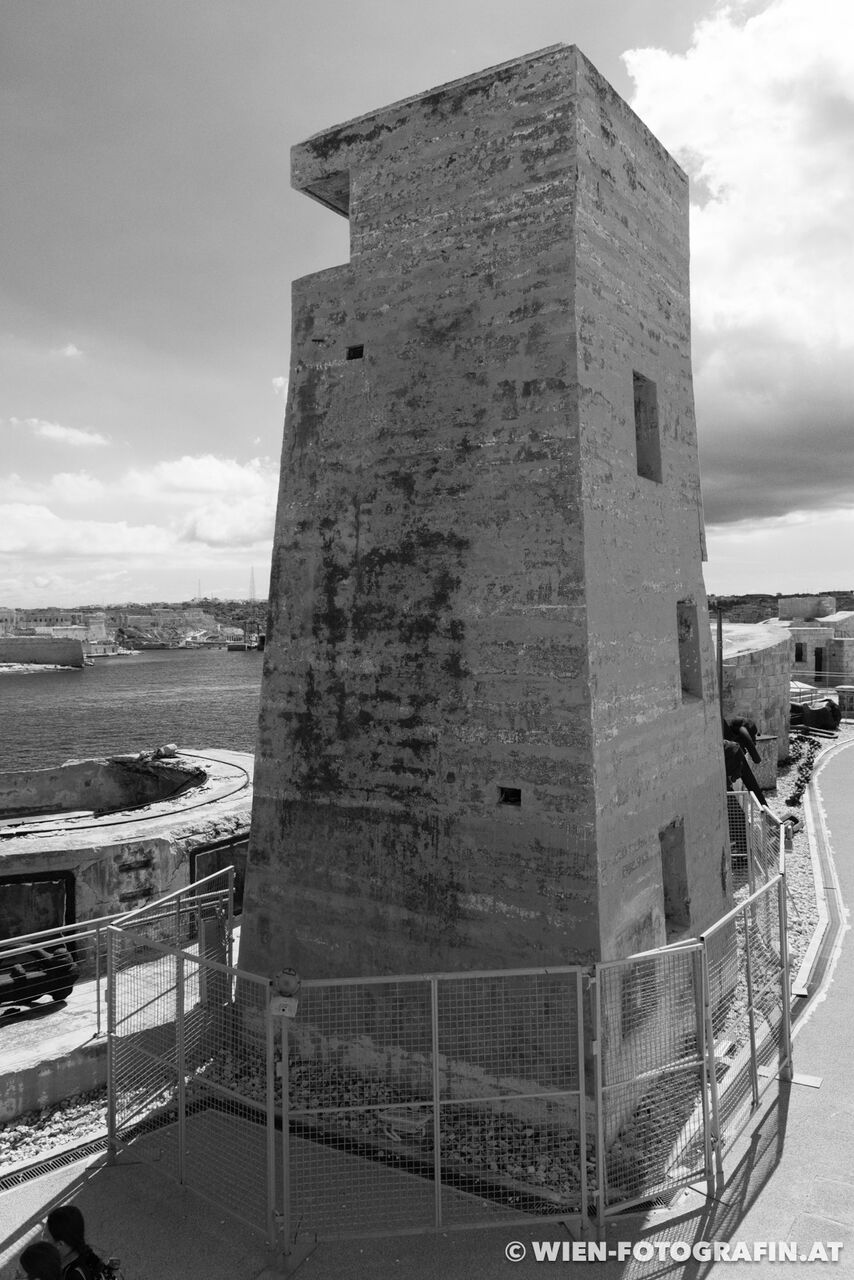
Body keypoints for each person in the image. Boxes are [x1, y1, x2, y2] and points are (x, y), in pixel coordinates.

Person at [44, 1206, 105, 1280]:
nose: (42, 1240)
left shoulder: (73, 1275)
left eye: (45, 1236)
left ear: (60, 1244)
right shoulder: (87, 1255)